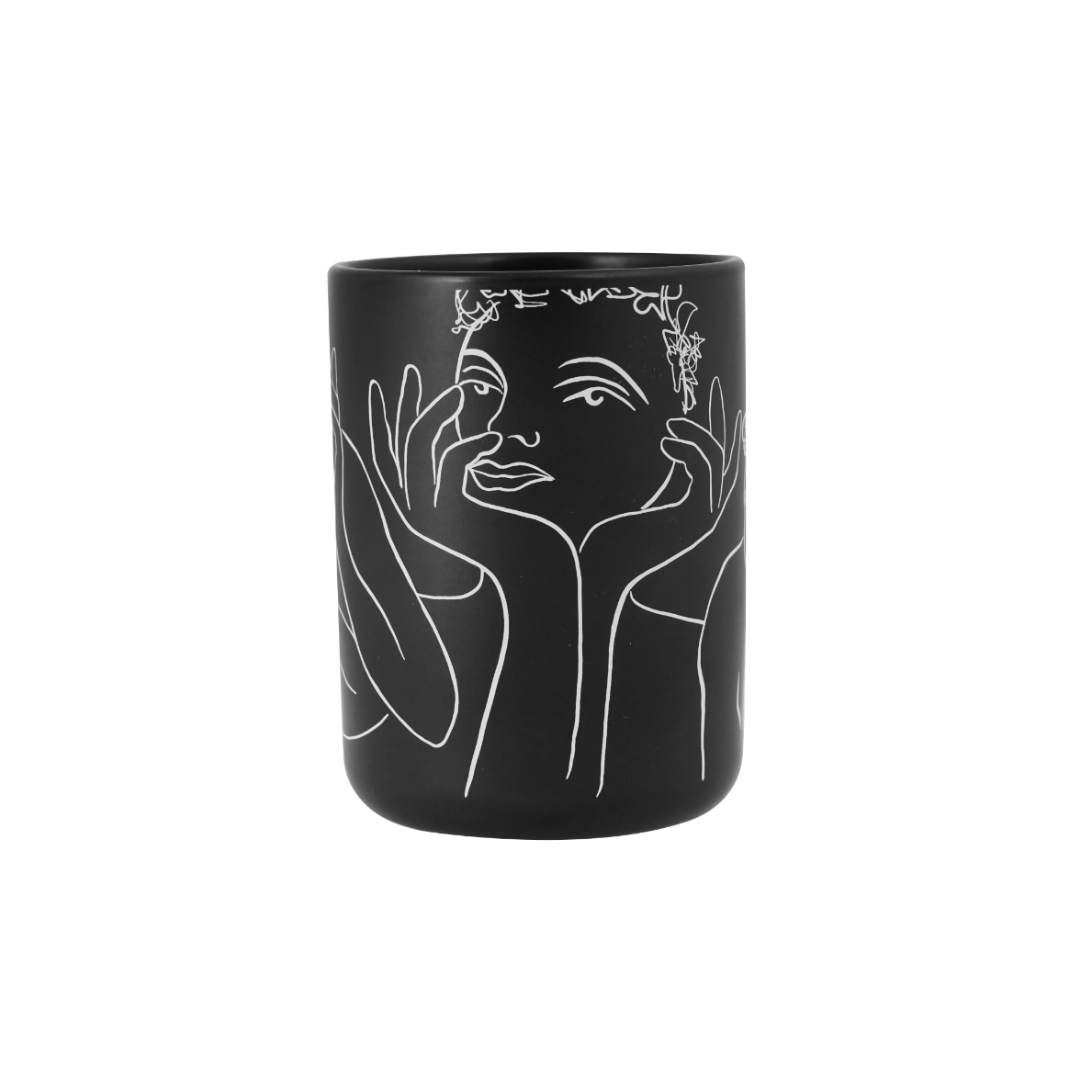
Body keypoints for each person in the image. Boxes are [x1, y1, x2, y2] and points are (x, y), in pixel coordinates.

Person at [333, 284, 745, 809]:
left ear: (680, 431)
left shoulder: (699, 603)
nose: (509, 428)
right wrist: (546, 565)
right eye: (481, 386)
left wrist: (606, 569)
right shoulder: (393, 586)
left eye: (591, 394)